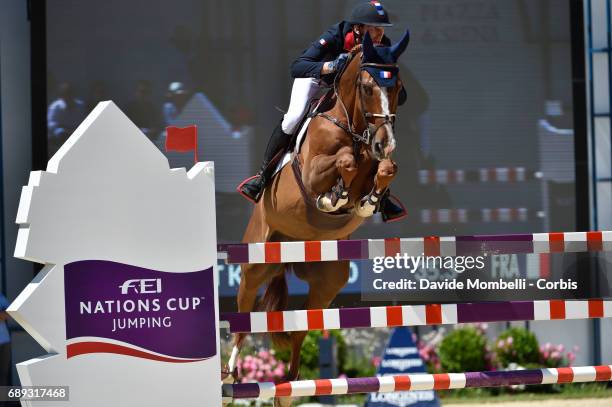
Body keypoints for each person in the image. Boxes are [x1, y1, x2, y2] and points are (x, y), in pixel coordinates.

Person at [238, 1, 406, 221]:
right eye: (373, 28)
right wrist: (331, 65)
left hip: (350, 91)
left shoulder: (383, 45)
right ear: (357, 28)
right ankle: (262, 177)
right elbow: (297, 66)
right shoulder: (336, 35)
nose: (379, 34)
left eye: (381, 28)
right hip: (317, 81)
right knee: (293, 118)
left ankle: (382, 196)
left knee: (377, 123)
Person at [47, 82, 86, 155]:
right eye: (66, 94)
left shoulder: (80, 105)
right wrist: (61, 132)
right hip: (60, 137)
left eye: (70, 93)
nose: (68, 96)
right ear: (62, 95)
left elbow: (83, 121)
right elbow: (51, 124)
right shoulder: (55, 107)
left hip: (76, 134)